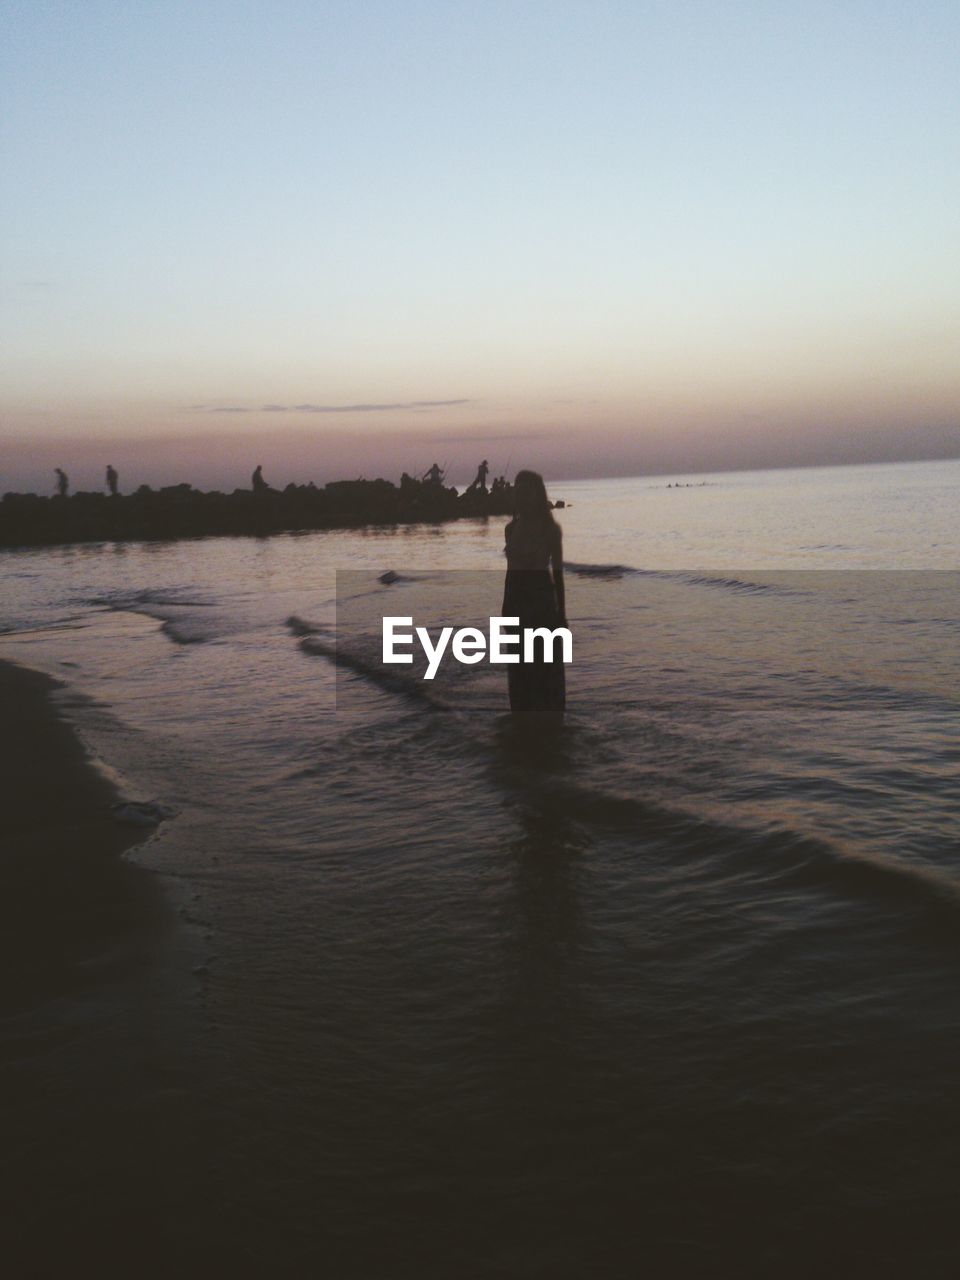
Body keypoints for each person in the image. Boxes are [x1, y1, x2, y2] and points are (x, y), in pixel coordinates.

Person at [502, 469, 566, 724]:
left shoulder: (550, 528)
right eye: (517, 490)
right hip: (516, 599)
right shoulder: (511, 528)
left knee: (544, 666)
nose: (519, 495)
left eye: (525, 490)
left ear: (536, 493)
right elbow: (509, 573)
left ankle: (550, 724)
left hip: (540, 598)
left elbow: (558, 574)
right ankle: (521, 723)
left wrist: (562, 614)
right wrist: (505, 608)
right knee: (519, 668)